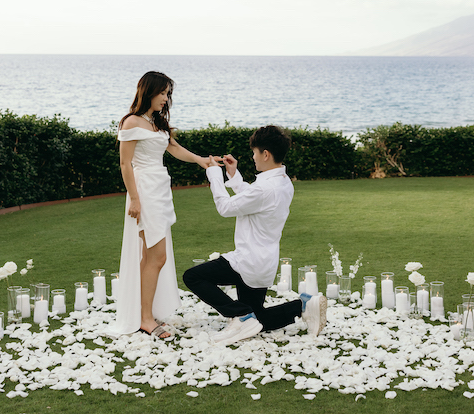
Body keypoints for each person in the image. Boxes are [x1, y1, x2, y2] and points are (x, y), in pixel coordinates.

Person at [183, 125, 327, 346]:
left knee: (193, 277)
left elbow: (226, 208)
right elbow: (253, 200)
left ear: (266, 154)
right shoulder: (283, 182)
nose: (253, 157)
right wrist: (233, 175)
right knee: (257, 320)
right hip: (264, 263)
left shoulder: (264, 188)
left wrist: (214, 174)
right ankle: (303, 306)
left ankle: (239, 315)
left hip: (247, 261)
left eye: (255, 152)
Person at [111, 71, 212, 339]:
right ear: (149, 91)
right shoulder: (131, 122)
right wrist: (134, 199)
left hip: (160, 190)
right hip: (144, 191)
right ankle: (145, 318)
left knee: (152, 256)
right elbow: (125, 164)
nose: (166, 99)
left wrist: (201, 160)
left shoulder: (155, 123)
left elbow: (174, 148)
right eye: (163, 93)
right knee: (157, 256)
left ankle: (146, 313)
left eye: (168, 94)